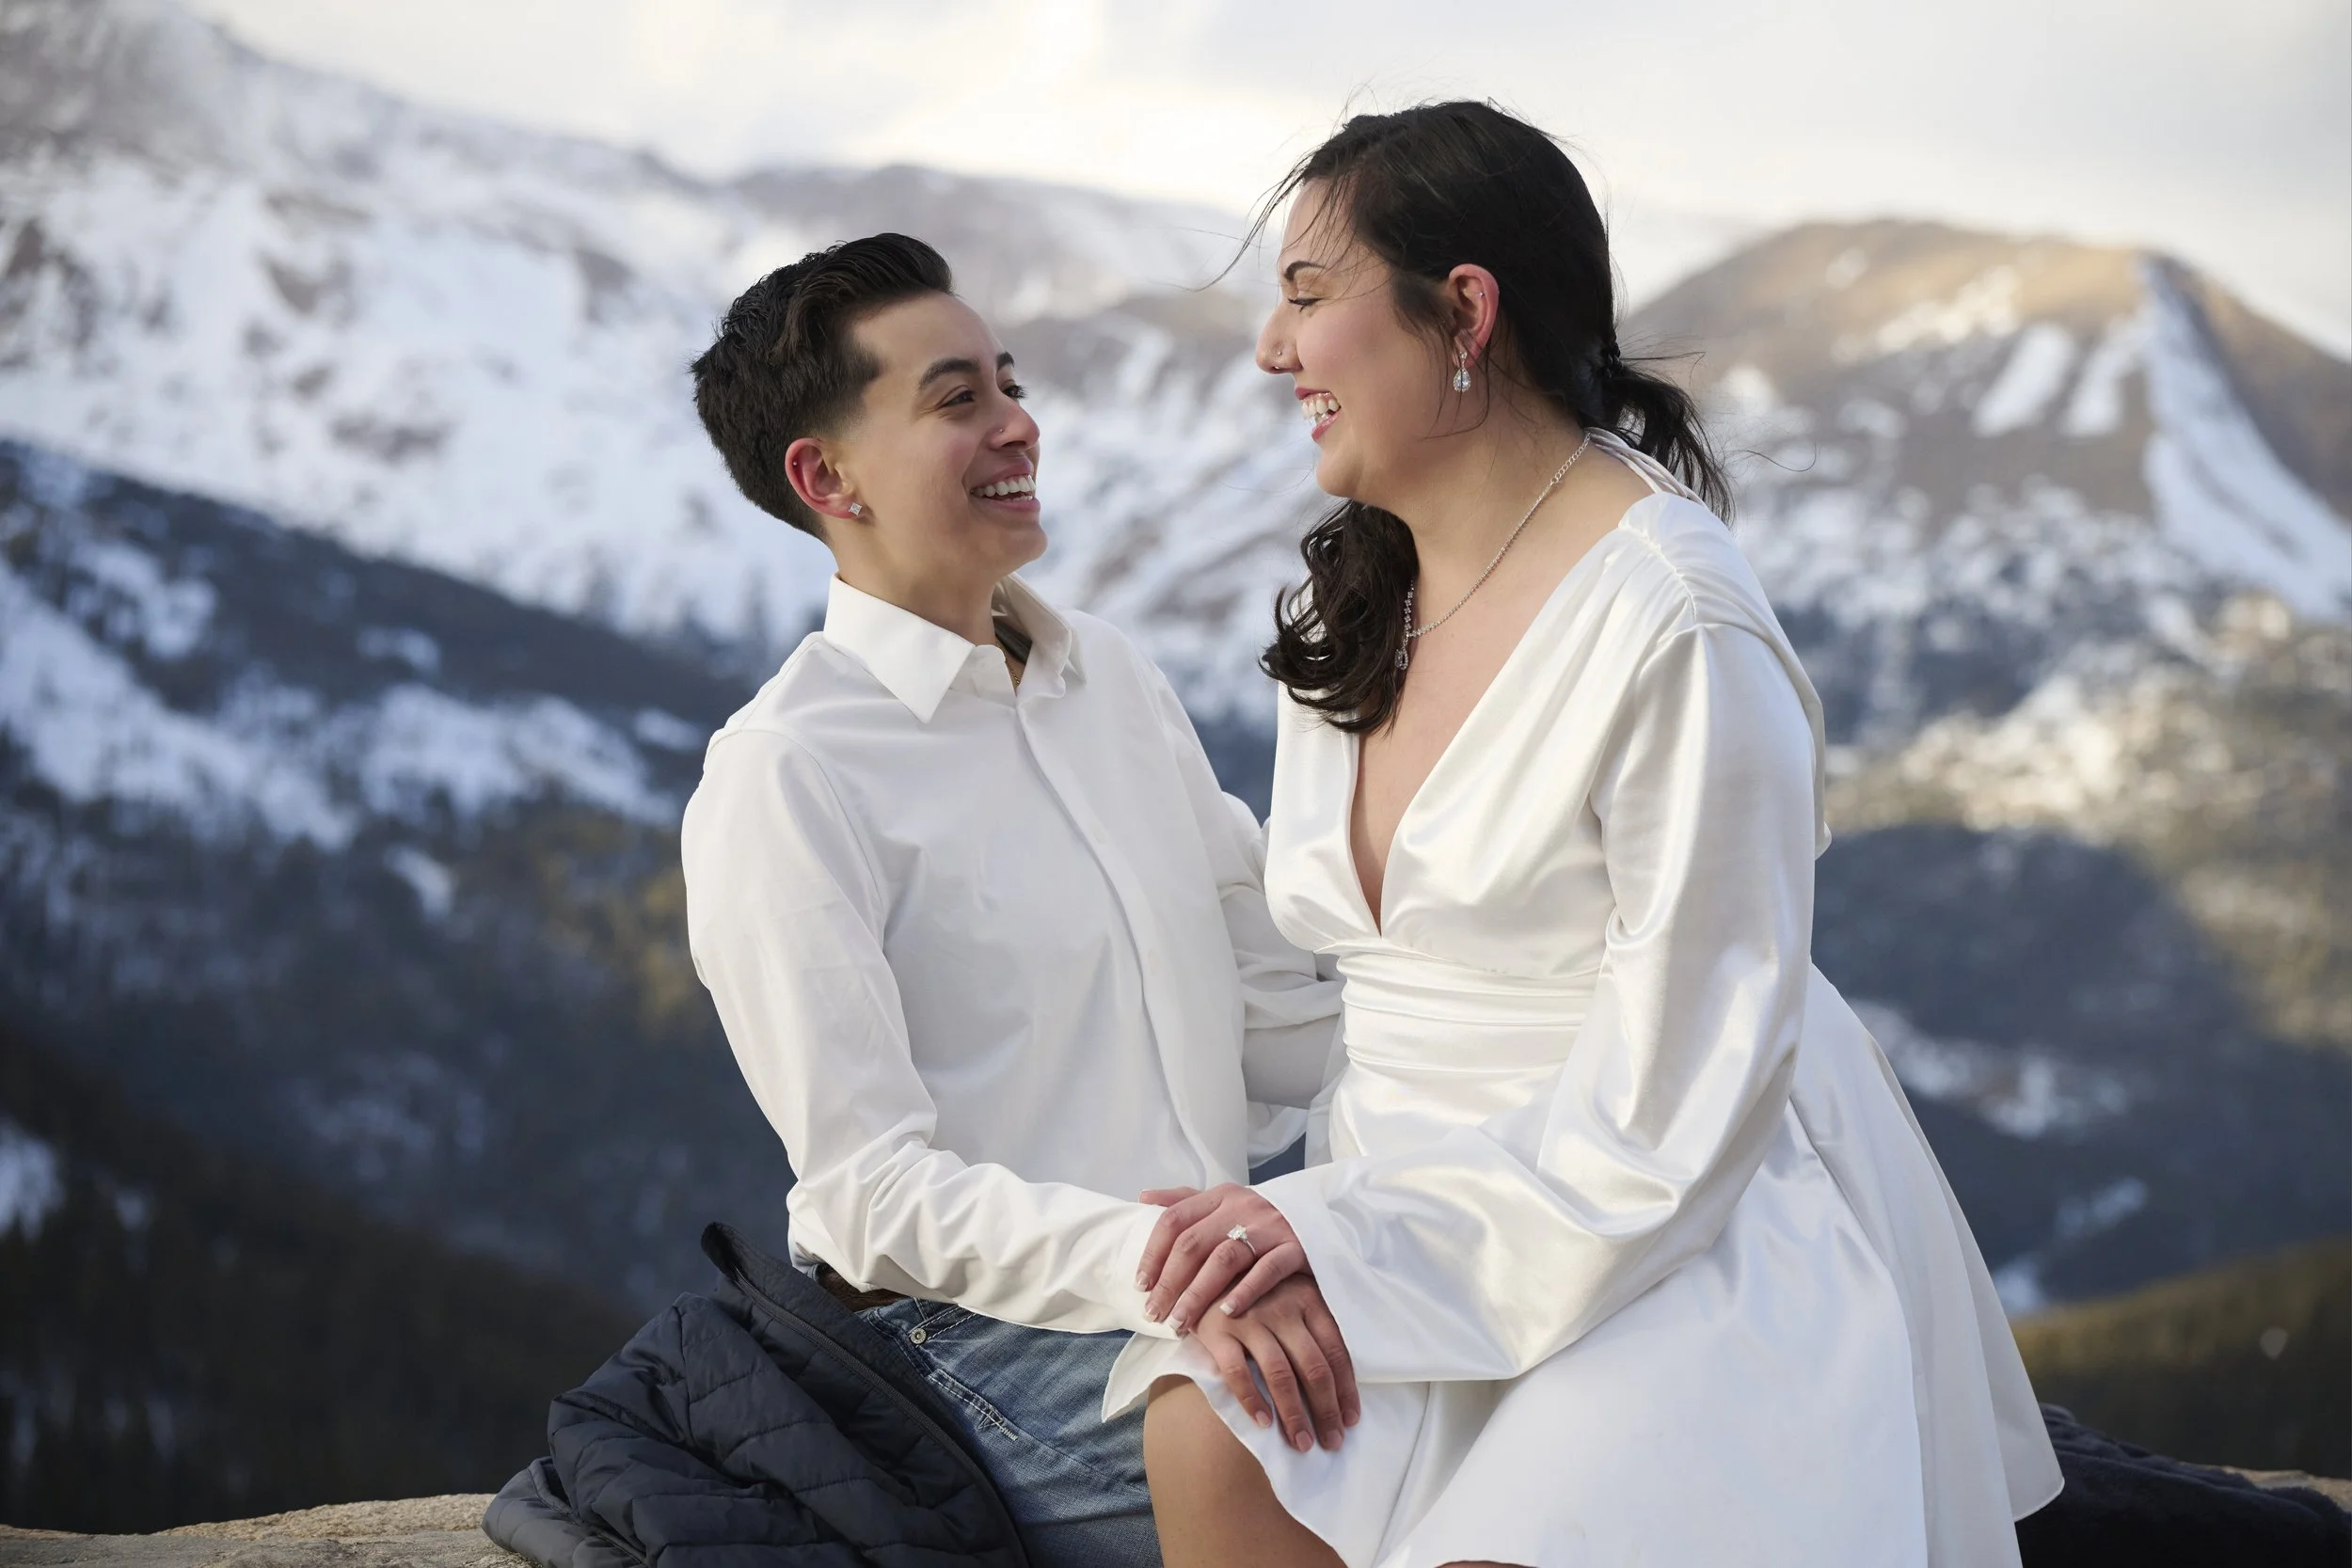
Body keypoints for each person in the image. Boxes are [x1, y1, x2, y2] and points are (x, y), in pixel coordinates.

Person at [1118, 103, 2065, 1568]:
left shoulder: (1673, 625)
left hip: (1672, 1224)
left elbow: (1686, 1093)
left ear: (1465, 312)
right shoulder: (1365, 590)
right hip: (1406, 1195)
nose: (1270, 349)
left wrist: (1354, 1244)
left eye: (1307, 296)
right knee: (1200, 1424)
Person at [678, 233, 1362, 1568]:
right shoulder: (786, 772)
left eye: (1009, 382)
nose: (1017, 425)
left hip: (1218, 1283)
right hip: (978, 1346)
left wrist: (1522, 1070)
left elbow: (1274, 1012)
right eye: (957, 401)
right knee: (1397, 1475)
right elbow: (868, 1191)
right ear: (828, 478)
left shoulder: (1108, 676)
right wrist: (1173, 1269)